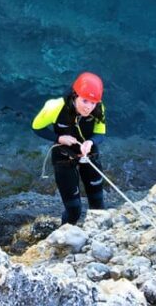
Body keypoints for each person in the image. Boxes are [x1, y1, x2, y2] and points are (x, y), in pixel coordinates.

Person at [32, 72, 107, 224]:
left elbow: (100, 133)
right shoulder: (55, 107)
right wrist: (59, 138)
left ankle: (97, 233)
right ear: (75, 95)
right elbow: (37, 127)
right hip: (63, 156)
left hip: (88, 154)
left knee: (98, 205)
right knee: (74, 210)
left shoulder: (99, 108)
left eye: (93, 103)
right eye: (85, 101)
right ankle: (65, 237)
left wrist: (91, 142)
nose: (88, 108)